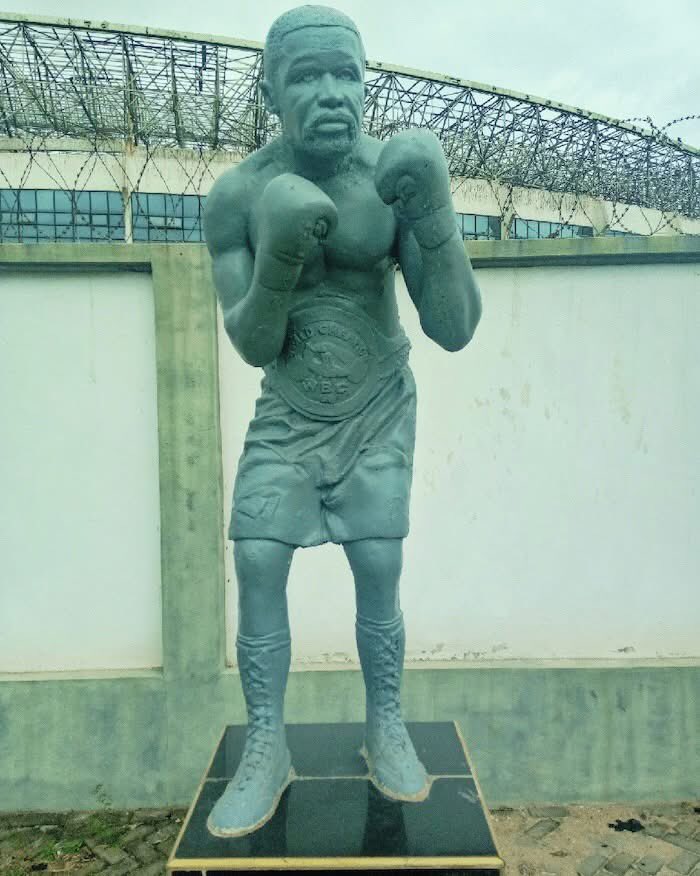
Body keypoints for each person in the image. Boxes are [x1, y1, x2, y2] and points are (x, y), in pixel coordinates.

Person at [203, 4, 482, 838]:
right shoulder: (237, 196)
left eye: (346, 74)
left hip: (377, 404)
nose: (331, 93)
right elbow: (254, 344)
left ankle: (385, 724)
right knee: (256, 555)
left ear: (365, 82)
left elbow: (455, 327)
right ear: (271, 91)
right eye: (306, 76)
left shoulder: (392, 177)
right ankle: (265, 747)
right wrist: (281, 256)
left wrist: (434, 216)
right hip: (290, 408)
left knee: (376, 560)